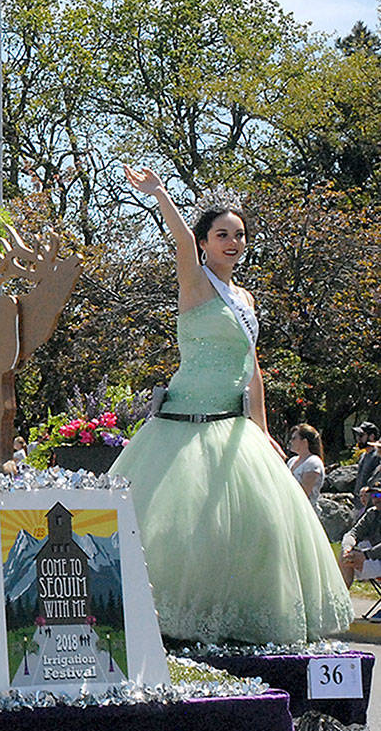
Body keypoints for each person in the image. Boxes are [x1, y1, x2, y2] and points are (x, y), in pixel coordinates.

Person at [108, 165, 351, 644]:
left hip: (234, 427)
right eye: (222, 235)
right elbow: (180, 241)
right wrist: (160, 194)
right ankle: (168, 623)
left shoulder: (246, 298)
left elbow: (251, 367)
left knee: (259, 527)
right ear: (204, 242)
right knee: (182, 530)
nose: (233, 242)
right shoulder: (196, 282)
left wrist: (261, 429)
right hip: (183, 426)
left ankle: (244, 621)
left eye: (239, 235)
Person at [340, 477, 381, 589]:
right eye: (373, 495)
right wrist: (347, 548)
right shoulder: (372, 513)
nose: (376, 499)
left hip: (375, 555)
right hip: (375, 558)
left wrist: (365, 555)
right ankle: (344, 592)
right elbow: (354, 533)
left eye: (379, 495)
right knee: (347, 557)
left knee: (355, 558)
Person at [286, 423, 326, 516]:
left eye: (294, 438)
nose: (291, 441)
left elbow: (304, 493)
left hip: (306, 512)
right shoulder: (292, 461)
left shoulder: (313, 462)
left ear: (304, 441)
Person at [352, 421, 380, 511]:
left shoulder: (377, 456)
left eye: (361, 435)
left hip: (372, 504)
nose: (358, 438)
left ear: (372, 436)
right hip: (359, 503)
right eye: (357, 435)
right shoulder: (363, 455)